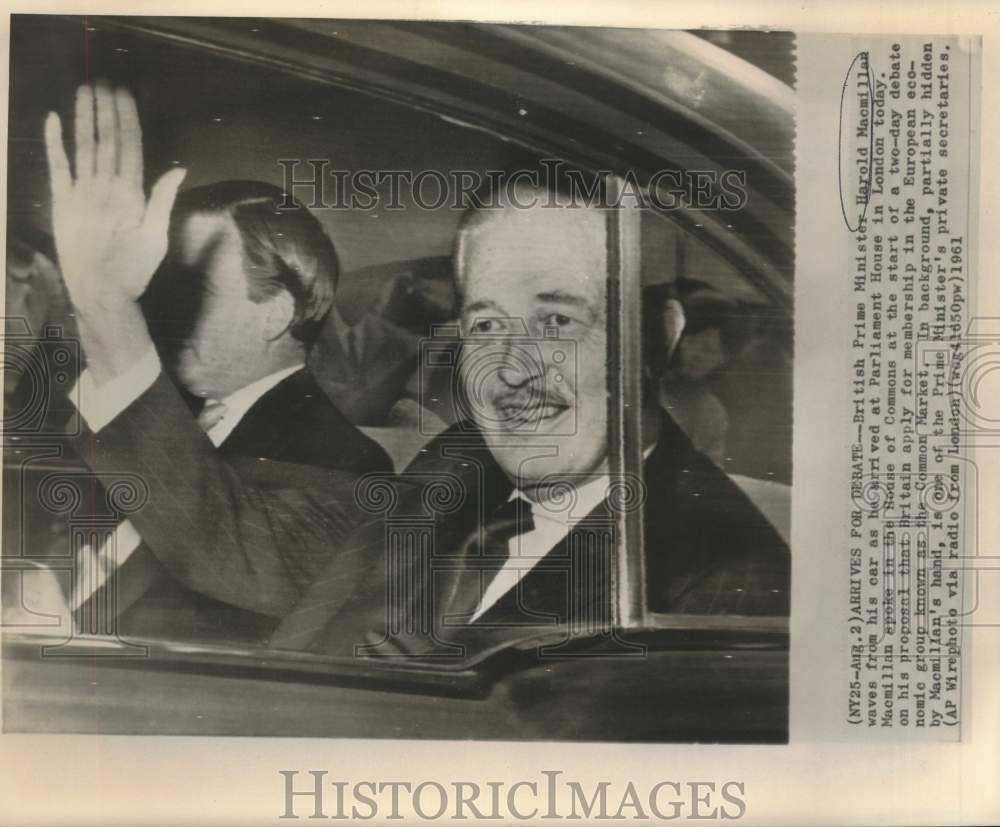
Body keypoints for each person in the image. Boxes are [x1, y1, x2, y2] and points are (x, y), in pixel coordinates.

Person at [47, 84, 787, 656]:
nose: (513, 369)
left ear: (657, 336)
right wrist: (107, 309)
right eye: (489, 322)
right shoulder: (459, 463)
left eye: (559, 320)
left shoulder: (728, 582)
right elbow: (234, 543)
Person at [65, 172, 392, 641]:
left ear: (274, 314)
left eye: (193, 292)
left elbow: (220, 559)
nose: (162, 314)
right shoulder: (155, 417)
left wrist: (109, 314)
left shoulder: (349, 465)